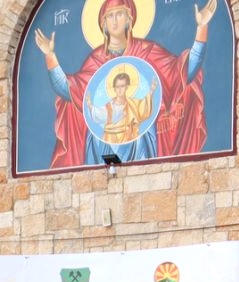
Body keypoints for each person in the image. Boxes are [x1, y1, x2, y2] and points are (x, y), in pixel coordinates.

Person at [34, 0, 218, 167]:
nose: (115, 21)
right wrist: (50, 56)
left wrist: (201, 28)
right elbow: (68, 90)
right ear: (103, 24)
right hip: (104, 141)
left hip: (139, 135)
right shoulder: (95, 60)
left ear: (129, 19)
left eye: (119, 14)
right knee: (95, 137)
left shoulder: (148, 51)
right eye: (110, 16)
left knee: (141, 134)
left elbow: (183, 73)